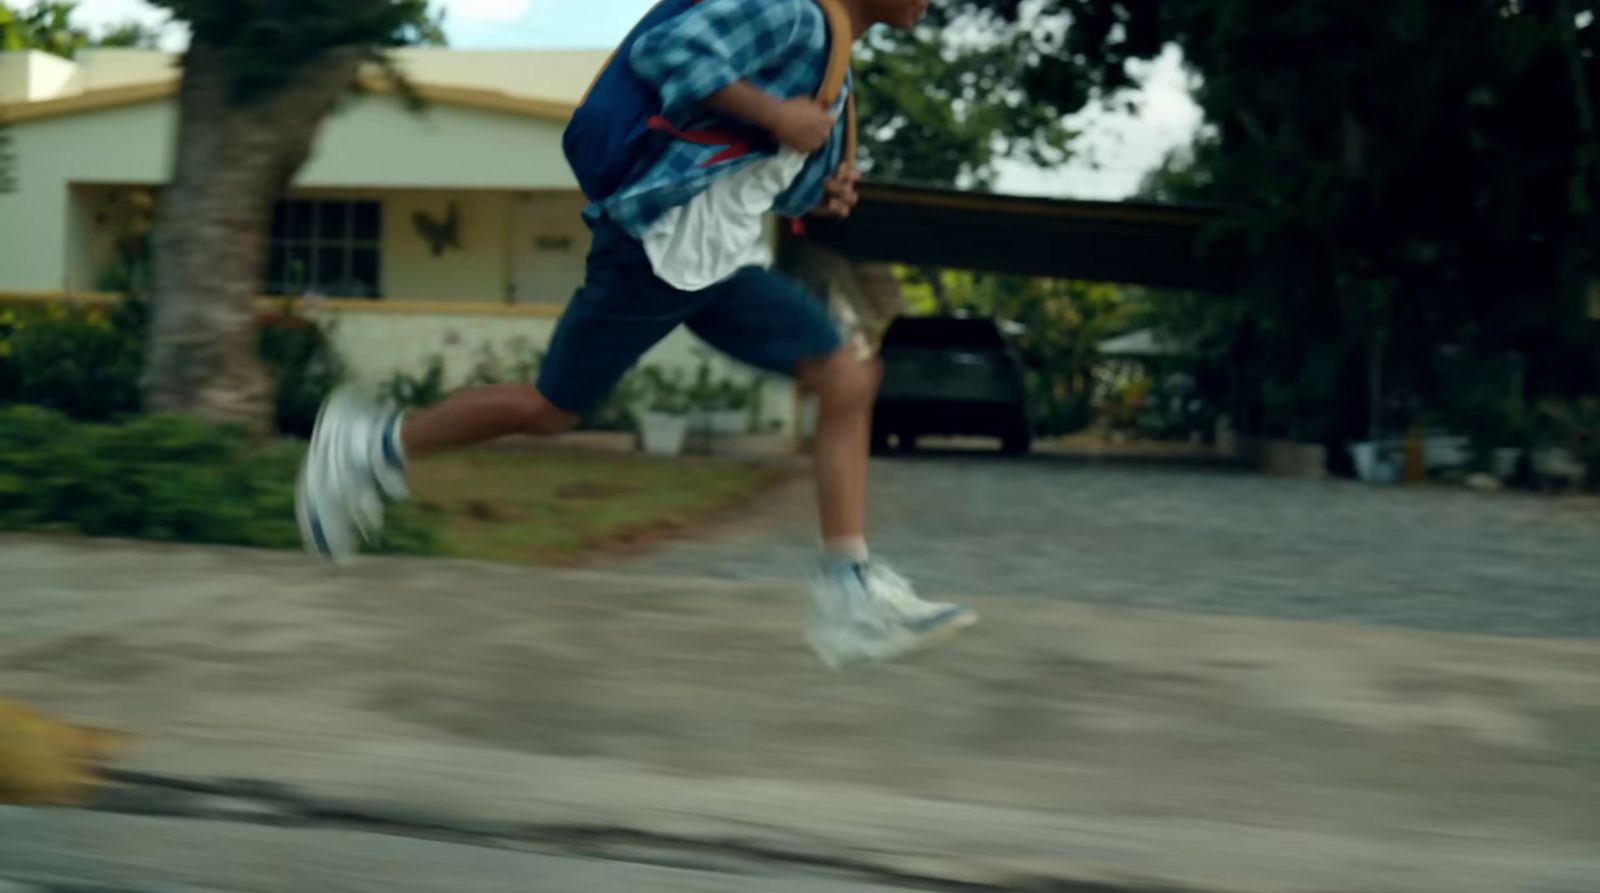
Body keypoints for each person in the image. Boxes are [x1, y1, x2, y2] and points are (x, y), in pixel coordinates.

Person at [295, 0, 975, 668]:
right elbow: (667, 49)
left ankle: (848, 589)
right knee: (549, 408)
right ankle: (371, 442)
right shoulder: (791, 14)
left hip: (723, 260)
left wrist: (821, 190)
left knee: (846, 375)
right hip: (655, 246)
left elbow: (766, 178)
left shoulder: (839, 70)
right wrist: (777, 114)